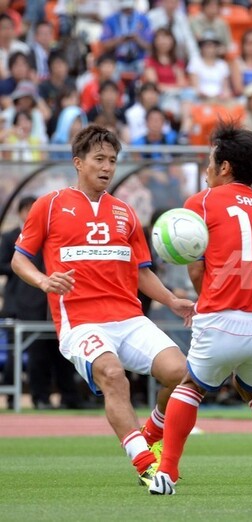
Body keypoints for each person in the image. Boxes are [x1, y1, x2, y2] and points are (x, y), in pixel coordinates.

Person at [11, 125, 193, 485]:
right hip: (81, 322)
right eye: (99, 159)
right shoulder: (49, 205)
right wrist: (44, 281)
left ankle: (152, 433)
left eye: (112, 160)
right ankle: (145, 464)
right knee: (112, 375)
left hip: (129, 319)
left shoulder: (126, 212)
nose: (107, 167)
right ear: (78, 163)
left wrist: (171, 300)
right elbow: (20, 259)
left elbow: (141, 272)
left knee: (182, 374)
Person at [148, 123, 252, 496]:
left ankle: (166, 473)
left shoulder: (203, 201)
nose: (207, 168)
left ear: (225, 167)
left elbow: (196, 269)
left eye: (211, 161)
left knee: (190, 386)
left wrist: (207, 303)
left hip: (224, 316)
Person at [0, 196, 80, 410]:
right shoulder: (10, 237)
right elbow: (7, 264)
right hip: (22, 304)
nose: (30, 213)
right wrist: (26, 272)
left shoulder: (50, 234)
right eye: (26, 209)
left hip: (50, 302)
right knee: (31, 353)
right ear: (19, 212)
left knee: (60, 351)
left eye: (33, 209)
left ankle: (69, 396)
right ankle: (36, 398)